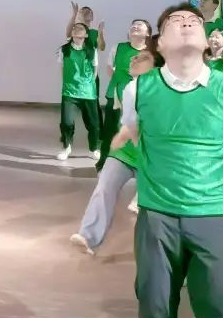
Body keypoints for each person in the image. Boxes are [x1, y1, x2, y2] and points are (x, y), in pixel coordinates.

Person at [112, 4, 223, 318]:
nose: (187, 23)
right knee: (154, 300)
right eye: (175, 21)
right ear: (159, 44)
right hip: (157, 213)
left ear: (207, 40)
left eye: (194, 21)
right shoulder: (138, 89)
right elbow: (131, 136)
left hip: (216, 212)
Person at [70, 47, 156, 255]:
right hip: (124, 153)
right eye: (134, 57)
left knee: (153, 207)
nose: (134, 59)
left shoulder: (162, 91)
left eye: (142, 58)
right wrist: (124, 137)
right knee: (104, 188)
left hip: (150, 156)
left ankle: (157, 251)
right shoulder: (130, 88)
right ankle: (88, 236)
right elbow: (129, 123)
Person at [102, 19, 152, 157]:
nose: (135, 26)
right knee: (111, 130)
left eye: (139, 25)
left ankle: (135, 161)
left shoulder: (151, 53)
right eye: (133, 25)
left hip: (140, 98)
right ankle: (104, 160)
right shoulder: (118, 47)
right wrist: (118, 83)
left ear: (147, 33)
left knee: (137, 131)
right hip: (116, 96)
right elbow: (110, 68)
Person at [57, 22, 100, 162]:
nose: (76, 30)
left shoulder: (91, 50)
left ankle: (93, 149)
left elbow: (95, 70)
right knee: (66, 122)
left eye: (80, 29)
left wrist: (88, 85)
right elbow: (62, 69)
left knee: (93, 123)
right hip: (70, 91)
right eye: (74, 28)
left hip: (88, 92)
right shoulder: (64, 50)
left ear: (86, 35)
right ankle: (66, 147)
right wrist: (68, 83)